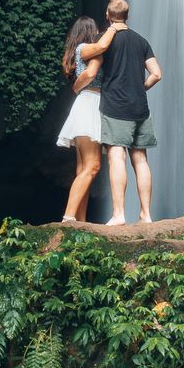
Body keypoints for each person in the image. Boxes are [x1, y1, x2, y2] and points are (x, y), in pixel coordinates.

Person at [93, 0, 162, 225]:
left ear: (107, 15)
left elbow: (92, 69)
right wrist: (140, 88)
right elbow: (157, 74)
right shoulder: (141, 41)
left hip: (115, 106)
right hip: (140, 107)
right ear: (128, 16)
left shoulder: (104, 40)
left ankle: (119, 214)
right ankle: (146, 214)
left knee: (116, 157)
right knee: (140, 159)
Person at [54, 15, 123, 222]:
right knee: (93, 166)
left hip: (86, 105)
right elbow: (91, 73)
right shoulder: (87, 49)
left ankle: (80, 221)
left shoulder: (81, 50)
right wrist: (114, 28)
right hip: (90, 104)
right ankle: (68, 218)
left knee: (82, 169)